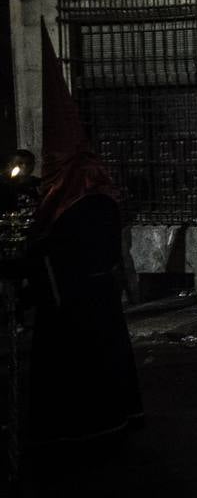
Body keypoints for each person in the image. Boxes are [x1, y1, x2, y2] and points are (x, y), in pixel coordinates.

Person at [26, 25, 142, 448]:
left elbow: (53, 248)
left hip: (73, 300)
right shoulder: (101, 191)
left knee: (79, 365)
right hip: (101, 294)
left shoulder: (68, 200)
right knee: (108, 354)